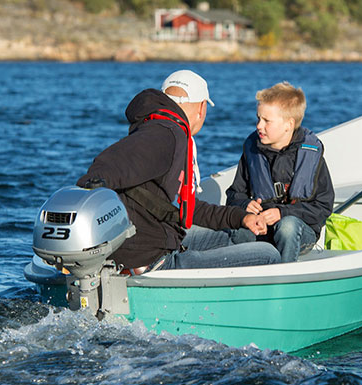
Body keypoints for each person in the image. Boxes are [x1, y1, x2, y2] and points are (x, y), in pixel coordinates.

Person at [76, 70, 281, 273]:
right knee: (268, 255)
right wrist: (91, 185)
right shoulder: (167, 134)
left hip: (157, 241)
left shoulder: (159, 127)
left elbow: (185, 207)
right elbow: (106, 168)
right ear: (201, 108)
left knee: (243, 233)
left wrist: (240, 217)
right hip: (154, 260)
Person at [226, 82, 334, 262]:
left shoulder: (310, 154)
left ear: (288, 124)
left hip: (299, 231)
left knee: (288, 226)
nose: (259, 126)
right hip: (262, 228)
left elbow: (323, 207)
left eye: (267, 121)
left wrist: (282, 213)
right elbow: (233, 196)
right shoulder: (252, 151)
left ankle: (283, 280)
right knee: (238, 228)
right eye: (258, 118)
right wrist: (245, 204)